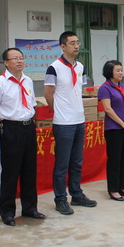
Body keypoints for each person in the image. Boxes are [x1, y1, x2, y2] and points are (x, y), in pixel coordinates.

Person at [0, 48, 45, 227]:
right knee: (10, 172)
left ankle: (30, 208)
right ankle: (7, 212)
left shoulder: (28, 80)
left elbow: (32, 105)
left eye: (21, 58)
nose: (19, 61)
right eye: (15, 59)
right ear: (6, 62)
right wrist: (1, 126)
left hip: (28, 127)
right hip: (11, 128)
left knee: (29, 170)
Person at [44, 31, 97, 215]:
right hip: (63, 122)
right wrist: (59, 111)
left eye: (77, 42)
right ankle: (60, 199)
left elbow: (78, 90)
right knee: (62, 164)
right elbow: (48, 94)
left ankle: (76, 194)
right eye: (72, 43)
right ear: (63, 46)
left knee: (77, 162)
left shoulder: (80, 66)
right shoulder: (54, 68)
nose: (76, 46)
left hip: (79, 119)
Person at [98, 60, 124, 201]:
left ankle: (123, 186)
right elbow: (108, 109)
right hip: (114, 129)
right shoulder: (105, 88)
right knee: (114, 160)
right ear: (110, 72)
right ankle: (113, 189)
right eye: (117, 70)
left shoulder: (123, 87)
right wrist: (122, 124)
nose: (120, 73)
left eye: (121, 70)